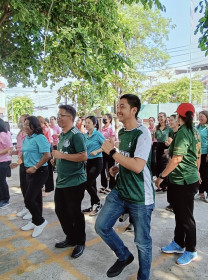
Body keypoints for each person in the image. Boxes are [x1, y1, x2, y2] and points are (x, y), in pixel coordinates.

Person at [95, 94, 153, 280]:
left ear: (134, 110)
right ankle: (124, 256)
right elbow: (127, 158)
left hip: (140, 196)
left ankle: (143, 277)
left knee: (142, 242)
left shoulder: (143, 133)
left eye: (122, 107)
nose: (117, 110)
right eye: (117, 106)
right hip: (120, 191)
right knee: (102, 226)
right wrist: (117, 167)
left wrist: (111, 152)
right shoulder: (122, 132)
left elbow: (137, 166)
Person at [156, 103, 201, 266]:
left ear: (180, 117)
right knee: (180, 214)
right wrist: (198, 172)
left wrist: (161, 176)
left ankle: (191, 250)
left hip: (184, 180)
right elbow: (197, 155)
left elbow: (177, 159)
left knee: (186, 217)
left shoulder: (184, 132)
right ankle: (178, 242)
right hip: (183, 179)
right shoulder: (194, 131)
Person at [52, 105, 87, 259]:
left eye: (62, 115)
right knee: (60, 211)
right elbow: (63, 154)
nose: (59, 118)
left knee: (74, 213)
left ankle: (80, 241)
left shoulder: (76, 135)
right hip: (61, 180)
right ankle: (70, 237)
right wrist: (56, 160)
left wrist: (61, 156)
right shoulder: (62, 135)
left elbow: (83, 156)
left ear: (71, 118)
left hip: (75, 181)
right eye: (58, 115)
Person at [11, 116, 51, 238]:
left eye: (28, 124)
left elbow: (47, 155)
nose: (25, 126)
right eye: (24, 124)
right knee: (36, 198)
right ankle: (35, 220)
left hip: (40, 171)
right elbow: (24, 153)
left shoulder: (40, 138)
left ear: (35, 125)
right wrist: (17, 163)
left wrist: (35, 167)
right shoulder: (27, 138)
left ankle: (40, 222)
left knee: (28, 199)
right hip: (28, 170)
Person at [81, 116, 105, 216]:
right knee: (92, 185)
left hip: (97, 161)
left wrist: (97, 151)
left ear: (94, 124)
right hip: (89, 162)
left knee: (87, 184)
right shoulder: (85, 136)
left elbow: (106, 146)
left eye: (88, 122)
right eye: (85, 122)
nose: (86, 124)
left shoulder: (98, 134)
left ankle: (98, 203)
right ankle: (93, 206)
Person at [10, 115, 31, 219]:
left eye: (21, 121)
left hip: (28, 163)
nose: (19, 122)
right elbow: (20, 150)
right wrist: (13, 152)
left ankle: (32, 209)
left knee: (29, 187)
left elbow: (27, 152)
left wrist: (18, 162)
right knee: (23, 186)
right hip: (21, 162)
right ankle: (27, 206)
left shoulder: (29, 135)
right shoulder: (20, 133)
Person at [164, 114, 180, 212]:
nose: (169, 122)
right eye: (169, 120)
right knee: (171, 184)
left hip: (177, 165)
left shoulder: (181, 133)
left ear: (178, 121)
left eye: (172, 120)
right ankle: (172, 203)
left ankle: (176, 205)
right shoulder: (172, 132)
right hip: (171, 161)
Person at [154, 112, 172, 191]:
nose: (160, 118)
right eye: (158, 117)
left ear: (165, 117)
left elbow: (171, 137)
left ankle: (166, 184)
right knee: (157, 165)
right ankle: (160, 185)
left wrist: (168, 142)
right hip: (158, 146)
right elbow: (155, 137)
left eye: (161, 116)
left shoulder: (169, 128)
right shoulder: (157, 128)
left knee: (164, 165)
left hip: (166, 147)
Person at [100, 113, 116, 194]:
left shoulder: (111, 128)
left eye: (105, 118)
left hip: (110, 151)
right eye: (104, 118)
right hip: (102, 151)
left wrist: (106, 142)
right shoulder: (102, 128)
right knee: (102, 169)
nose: (104, 120)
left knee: (110, 169)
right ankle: (104, 185)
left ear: (110, 119)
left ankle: (111, 186)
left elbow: (112, 140)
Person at [37, 116, 54, 195]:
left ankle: (49, 188)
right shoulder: (38, 130)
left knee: (48, 169)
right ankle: (43, 186)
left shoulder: (46, 129)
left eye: (40, 122)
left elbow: (47, 141)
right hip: (41, 150)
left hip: (47, 149)